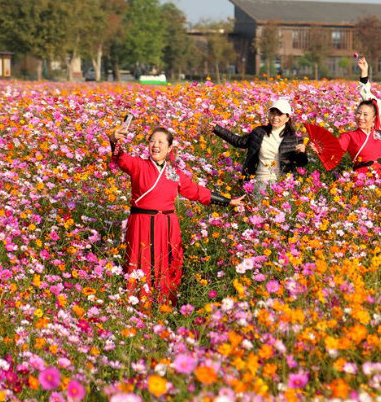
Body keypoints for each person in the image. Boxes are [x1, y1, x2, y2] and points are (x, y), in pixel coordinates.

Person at [109, 124, 245, 305]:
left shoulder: (174, 173)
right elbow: (120, 157)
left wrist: (228, 201)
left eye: (160, 142)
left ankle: (163, 303)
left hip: (166, 225)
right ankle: (137, 304)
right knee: (139, 261)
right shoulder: (138, 165)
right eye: (152, 141)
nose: (155, 145)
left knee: (167, 262)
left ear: (169, 148)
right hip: (141, 222)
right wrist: (113, 140)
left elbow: (196, 191)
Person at [208, 99, 308, 186]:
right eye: (273, 113)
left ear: (288, 117)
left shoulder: (295, 139)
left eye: (280, 114)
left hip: (282, 183)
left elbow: (301, 163)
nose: (275, 117)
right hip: (260, 181)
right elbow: (238, 141)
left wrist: (302, 153)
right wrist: (217, 129)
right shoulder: (259, 132)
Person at [311, 100, 381, 176]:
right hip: (362, 176)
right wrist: (320, 149)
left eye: (365, 114)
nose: (360, 117)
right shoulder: (349, 136)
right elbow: (335, 150)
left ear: (374, 118)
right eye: (358, 113)